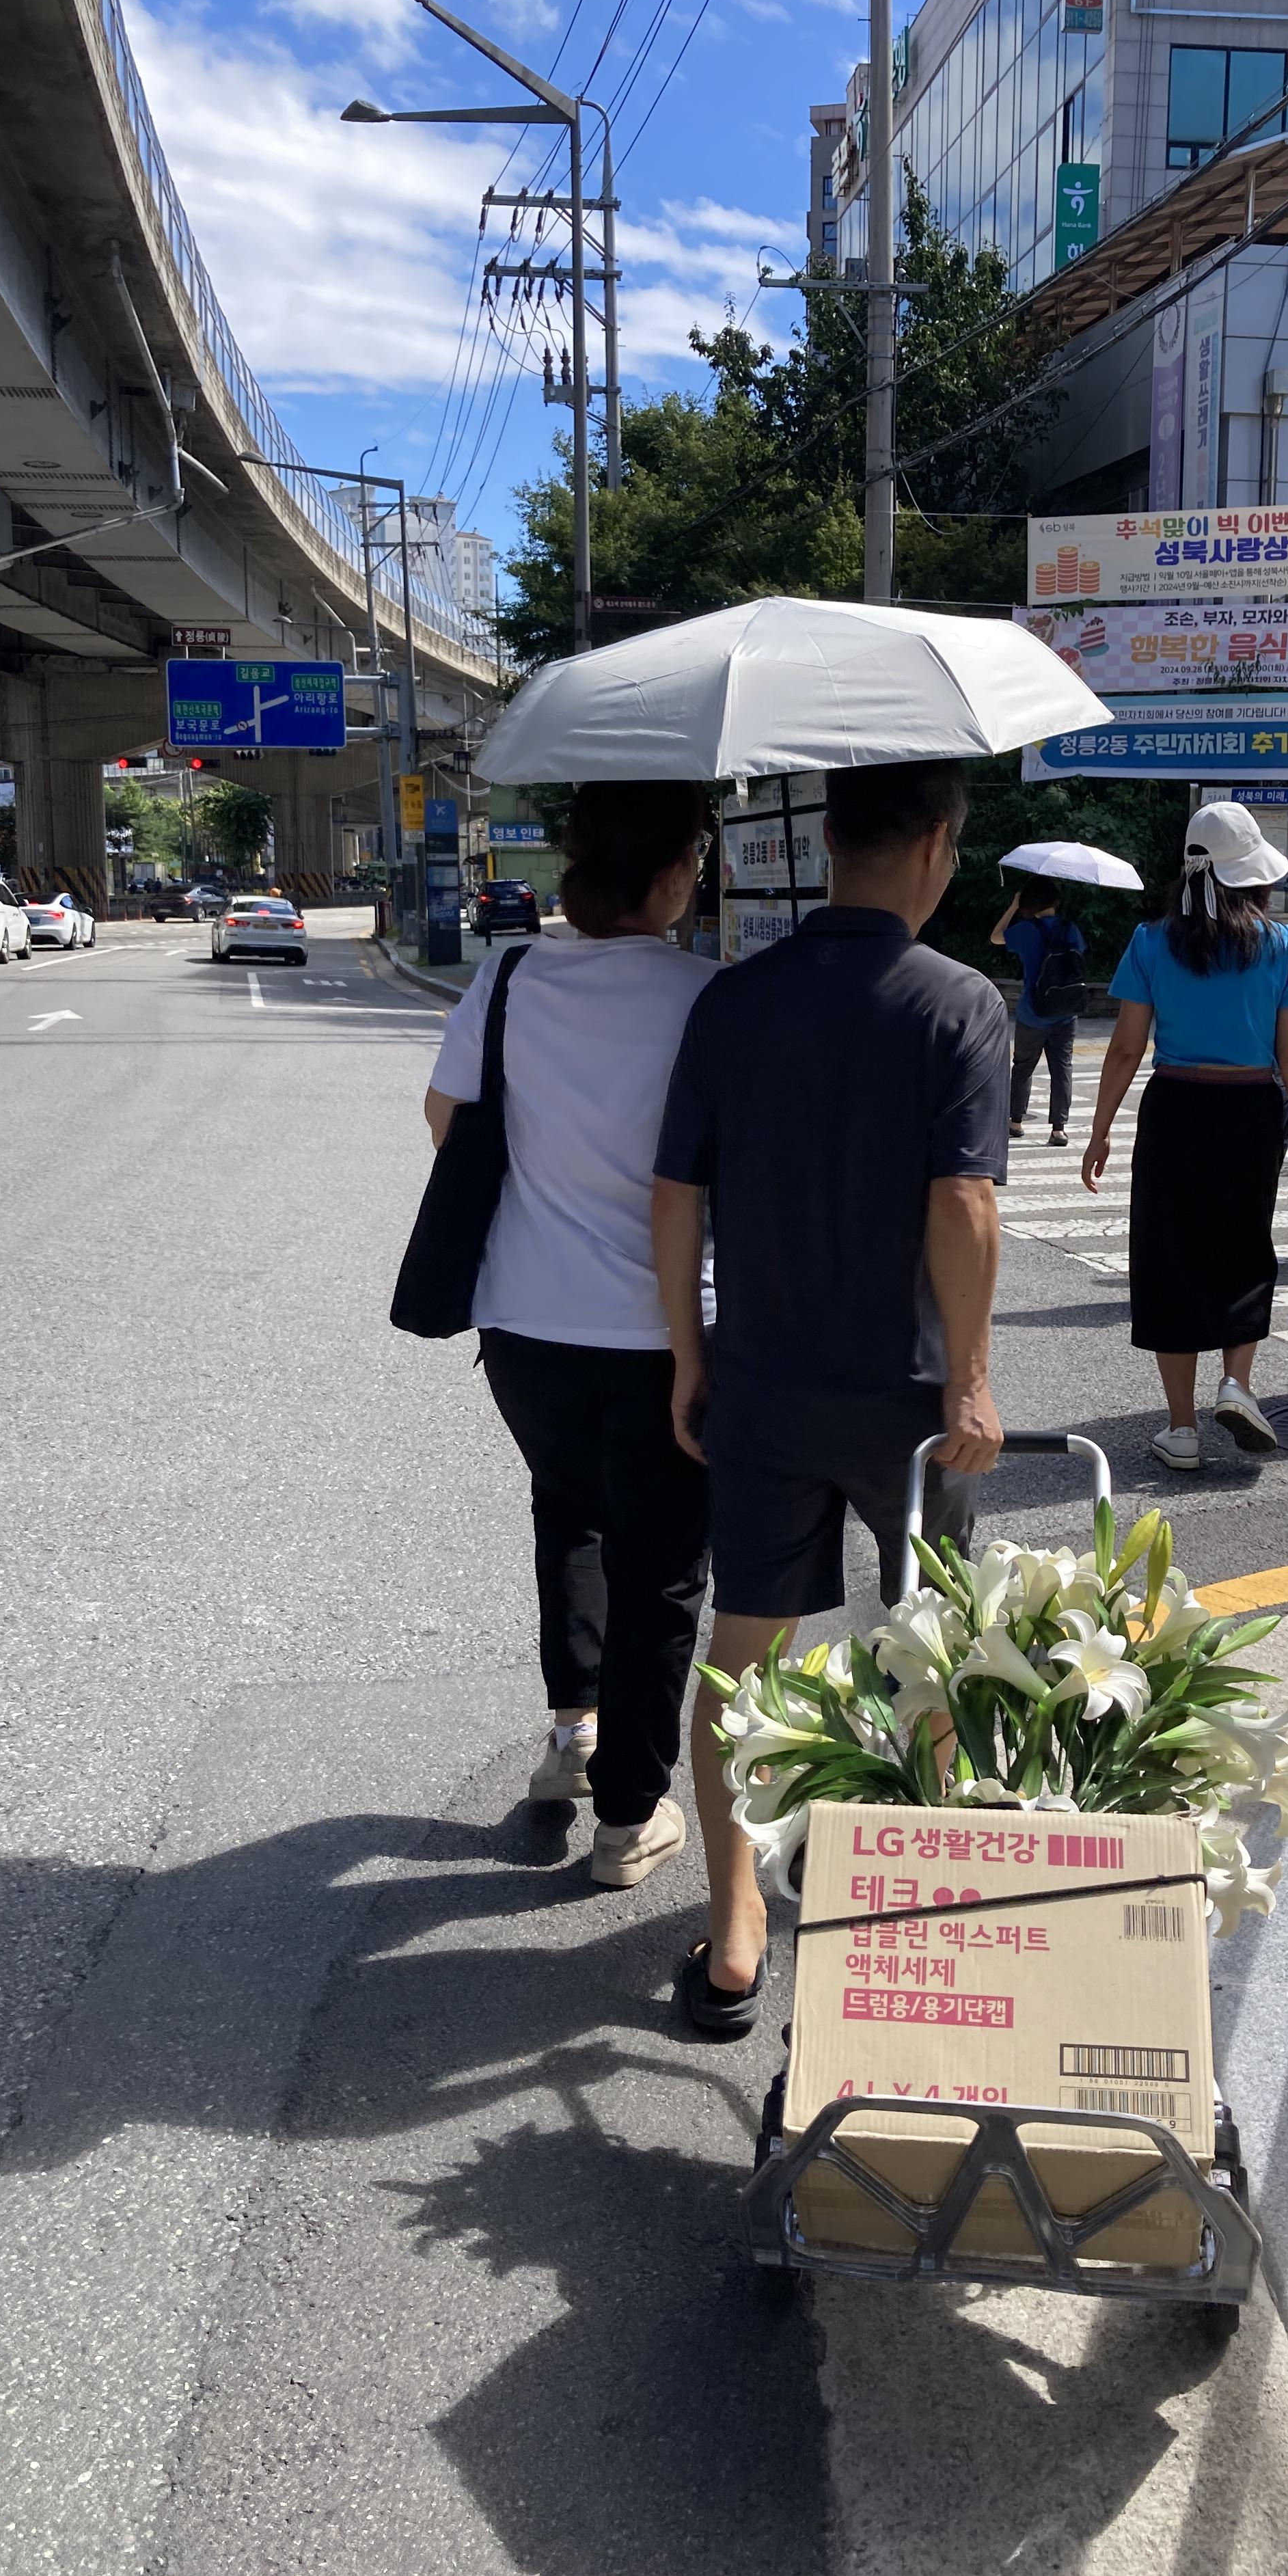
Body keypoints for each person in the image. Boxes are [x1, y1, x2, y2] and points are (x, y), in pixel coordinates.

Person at [652, 761, 1009, 2035]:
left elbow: (676, 1195)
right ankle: (911, 1902)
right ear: (933, 845)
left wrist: (690, 1358)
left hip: (761, 1383)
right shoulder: (957, 1002)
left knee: (743, 1653)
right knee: (931, 1646)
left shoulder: (733, 998)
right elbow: (961, 1202)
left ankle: (735, 1925)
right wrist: (972, 1377)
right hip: (911, 1405)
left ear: (828, 844)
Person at [424, 783, 718, 1892]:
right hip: (662, 1331)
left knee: (568, 1510)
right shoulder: (708, 995)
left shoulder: (507, 976)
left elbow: (446, 1119)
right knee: (662, 1569)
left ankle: (572, 1732)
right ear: (676, 872)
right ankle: (629, 1817)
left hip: (524, 1324)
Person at [1080, 802, 1288, 1474]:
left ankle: (1182, 1428)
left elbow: (1126, 1047)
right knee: (1243, 1246)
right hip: (1253, 1107)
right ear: (1254, 876)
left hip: (1176, 1106)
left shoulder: (1151, 940)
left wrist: (1100, 1131)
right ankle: (1237, 1384)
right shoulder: (1285, 945)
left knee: (1171, 1257)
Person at [990, 878, 1087, 1145]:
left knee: (1023, 1066)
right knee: (1062, 1068)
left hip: (1033, 1013)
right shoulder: (1071, 930)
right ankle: (1058, 1130)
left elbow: (995, 937)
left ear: (1030, 903)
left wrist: (1013, 907)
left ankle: (1016, 1122)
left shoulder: (1027, 931)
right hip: (1066, 1012)